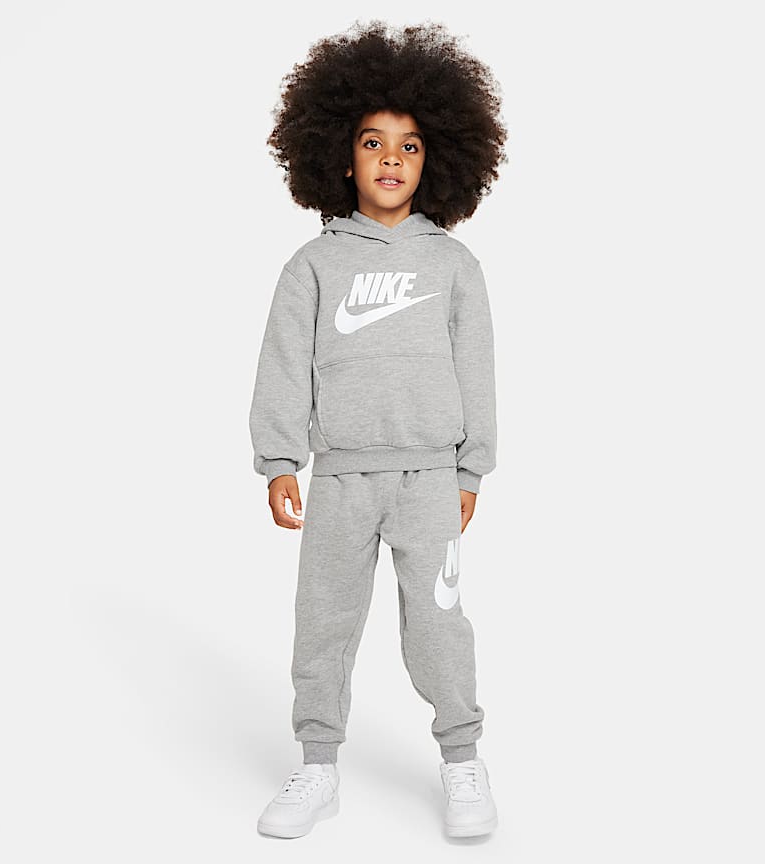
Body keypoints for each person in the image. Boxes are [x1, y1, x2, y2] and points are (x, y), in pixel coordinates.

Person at [248, 19, 507, 839]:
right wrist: (279, 459)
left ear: (436, 161)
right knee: (323, 623)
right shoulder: (314, 265)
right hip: (340, 480)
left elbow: (477, 369)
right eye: (372, 142)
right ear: (340, 155)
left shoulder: (454, 265)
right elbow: (284, 364)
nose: (391, 159)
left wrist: (471, 470)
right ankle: (317, 767)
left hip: (430, 481)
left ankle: (462, 759)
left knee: (438, 626)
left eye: (410, 145)